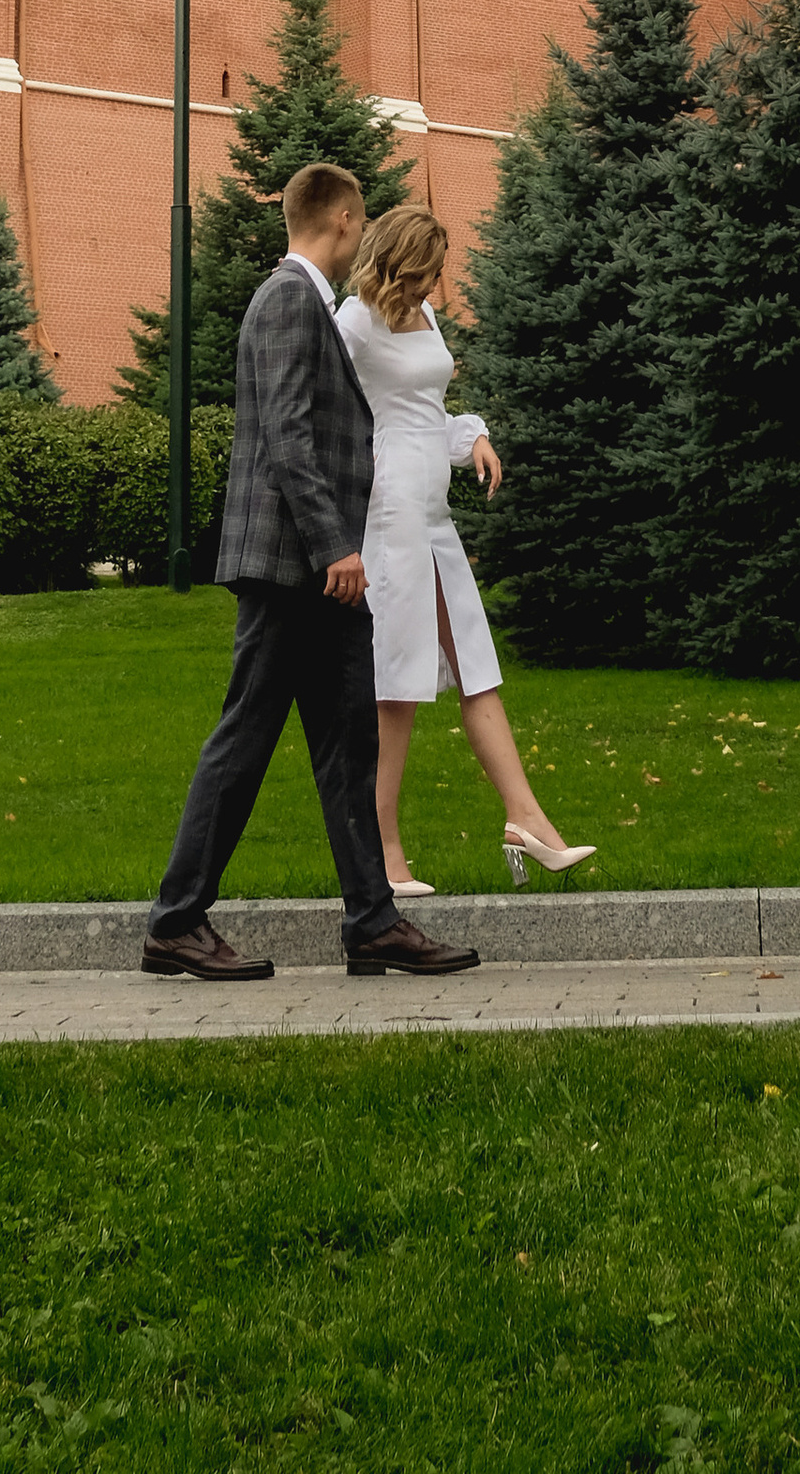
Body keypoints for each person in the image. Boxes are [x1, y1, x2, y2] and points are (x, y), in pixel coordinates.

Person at [143, 161, 481, 983]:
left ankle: (373, 923)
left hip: (321, 575)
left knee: (347, 744)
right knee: (245, 740)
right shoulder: (290, 299)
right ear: (342, 219)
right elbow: (288, 437)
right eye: (360, 220)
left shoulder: (305, 302)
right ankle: (175, 923)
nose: (362, 233)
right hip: (294, 567)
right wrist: (336, 545)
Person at [336, 200, 596, 894]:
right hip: (388, 516)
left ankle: (526, 819)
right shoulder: (355, 321)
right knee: (397, 687)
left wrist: (470, 436)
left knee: (477, 667)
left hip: (432, 514)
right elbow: (328, 405)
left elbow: (428, 412)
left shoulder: (424, 315)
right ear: (397, 263)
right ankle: (382, 853)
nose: (434, 284)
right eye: (425, 271)